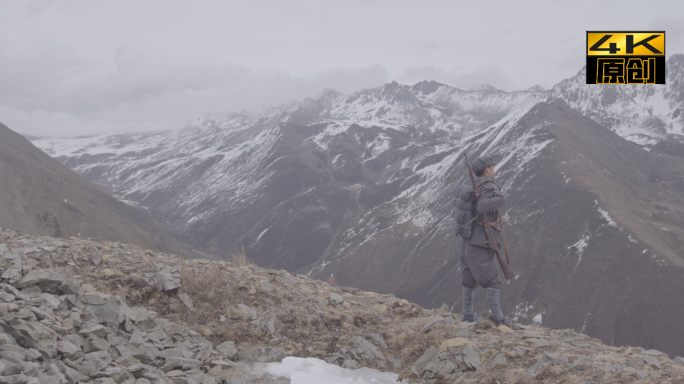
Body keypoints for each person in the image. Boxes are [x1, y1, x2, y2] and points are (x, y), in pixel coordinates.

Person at [460, 156, 516, 329]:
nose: (493, 169)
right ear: (486, 169)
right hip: (481, 242)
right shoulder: (490, 186)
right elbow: (483, 207)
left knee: (469, 278)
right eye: (492, 166)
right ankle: (499, 320)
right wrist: (502, 196)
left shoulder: (475, 187)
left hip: (468, 240)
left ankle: (468, 314)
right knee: (492, 280)